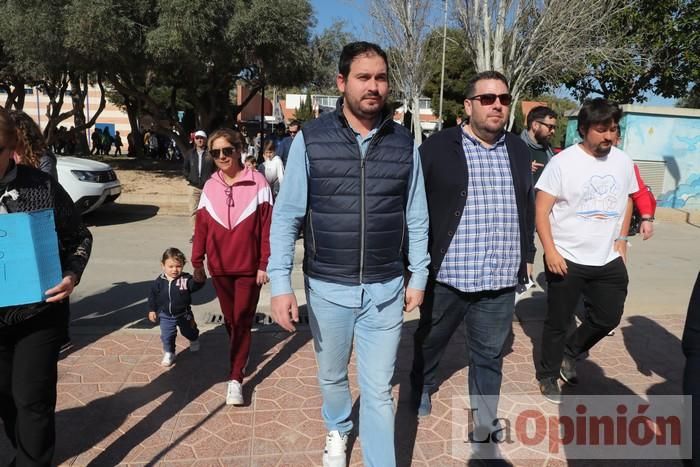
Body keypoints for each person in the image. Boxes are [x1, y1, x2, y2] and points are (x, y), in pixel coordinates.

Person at [268, 41, 429, 467]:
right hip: (327, 288)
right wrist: (281, 284)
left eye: (380, 77)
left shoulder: (402, 143)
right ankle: (338, 427)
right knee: (333, 376)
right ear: (342, 82)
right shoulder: (311, 139)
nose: (373, 86)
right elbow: (286, 217)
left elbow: (416, 216)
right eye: (363, 77)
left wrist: (418, 275)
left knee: (378, 389)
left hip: (386, 289)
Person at [410, 71, 535, 455]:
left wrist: (526, 256)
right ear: (468, 106)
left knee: (489, 357)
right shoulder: (436, 148)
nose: (497, 104)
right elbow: (413, 209)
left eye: (503, 98)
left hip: (499, 278)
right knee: (430, 343)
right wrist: (412, 265)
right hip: (448, 275)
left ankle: (484, 430)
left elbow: (525, 205)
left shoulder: (518, 149)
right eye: (487, 98)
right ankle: (422, 385)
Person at [0, 107, 92, 466]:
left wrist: (71, 275)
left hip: (38, 312)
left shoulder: (40, 186)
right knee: (5, 397)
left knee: (32, 398)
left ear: (10, 149)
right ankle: (25, 451)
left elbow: (78, 236)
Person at [534, 98, 638, 403]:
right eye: (601, 129)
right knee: (557, 321)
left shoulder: (622, 161)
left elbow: (628, 199)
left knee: (608, 317)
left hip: (608, 257)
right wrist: (550, 251)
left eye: (613, 129)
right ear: (583, 129)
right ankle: (548, 374)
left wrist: (622, 238)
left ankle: (571, 351)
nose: (608, 135)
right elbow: (541, 211)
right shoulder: (562, 163)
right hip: (567, 257)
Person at [191, 128, 272, 406]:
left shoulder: (258, 182)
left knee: (241, 320)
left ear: (239, 150)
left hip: (249, 269)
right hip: (220, 268)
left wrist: (264, 263)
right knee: (231, 321)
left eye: (228, 150)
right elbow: (201, 227)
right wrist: (197, 261)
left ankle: (235, 377)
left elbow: (267, 228)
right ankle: (241, 353)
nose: (222, 157)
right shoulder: (210, 185)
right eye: (216, 153)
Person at [147, 247, 203, 366]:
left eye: (178, 266)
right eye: (170, 266)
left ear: (183, 265)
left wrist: (199, 280)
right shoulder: (159, 281)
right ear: (163, 265)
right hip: (165, 315)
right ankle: (169, 352)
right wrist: (152, 309)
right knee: (167, 336)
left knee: (189, 331)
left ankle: (194, 339)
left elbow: (195, 286)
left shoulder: (186, 279)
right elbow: (152, 296)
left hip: (184, 314)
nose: (174, 270)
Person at [183, 130, 214, 242]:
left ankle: (209, 232)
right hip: (193, 187)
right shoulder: (189, 154)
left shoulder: (210, 154)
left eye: (202, 138)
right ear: (194, 140)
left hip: (208, 187)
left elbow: (215, 169)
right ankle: (195, 233)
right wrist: (189, 178)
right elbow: (185, 168)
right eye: (197, 138)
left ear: (205, 140)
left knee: (209, 211)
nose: (199, 140)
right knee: (193, 211)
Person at [9, 110, 58, 179]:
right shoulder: (7, 155)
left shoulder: (43, 159)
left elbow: (49, 187)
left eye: (10, 131)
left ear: (24, 132)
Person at [520, 106, 557, 185]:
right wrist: (521, 169)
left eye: (554, 127)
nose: (553, 131)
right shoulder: (515, 147)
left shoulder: (549, 150)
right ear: (535, 125)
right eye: (550, 127)